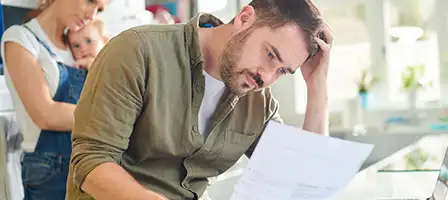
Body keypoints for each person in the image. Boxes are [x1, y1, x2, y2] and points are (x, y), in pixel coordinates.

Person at [67, 0, 333, 199]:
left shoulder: (258, 101)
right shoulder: (138, 51)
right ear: (244, 18)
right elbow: (92, 163)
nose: (267, 77)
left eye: (283, 71)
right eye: (270, 55)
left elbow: (301, 179)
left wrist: (317, 86)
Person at [0, 0, 109, 199]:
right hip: (49, 171)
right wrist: (113, 119)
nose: (92, 15)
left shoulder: (81, 44)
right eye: (90, 1)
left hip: (91, 163)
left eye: (99, 9)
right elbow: (45, 114)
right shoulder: (21, 38)